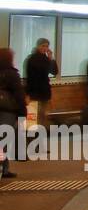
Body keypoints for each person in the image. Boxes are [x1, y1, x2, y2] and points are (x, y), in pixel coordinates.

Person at [0, 48, 26, 178]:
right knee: (3, 141)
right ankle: (3, 169)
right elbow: (19, 94)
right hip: (7, 111)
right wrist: (22, 113)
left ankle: (4, 168)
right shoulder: (12, 74)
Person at [23, 37, 57, 129]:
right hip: (34, 92)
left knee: (42, 115)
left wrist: (51, 58)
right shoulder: (32, 59)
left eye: (46, 46)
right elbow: (30, 78)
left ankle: (39, 136)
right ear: (38, 46)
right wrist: (28, 93)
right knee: (33, 117)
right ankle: (32, 138)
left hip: (44, 92)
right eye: (43, 46)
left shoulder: (46, 59)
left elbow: (54, 72)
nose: (45, 48)